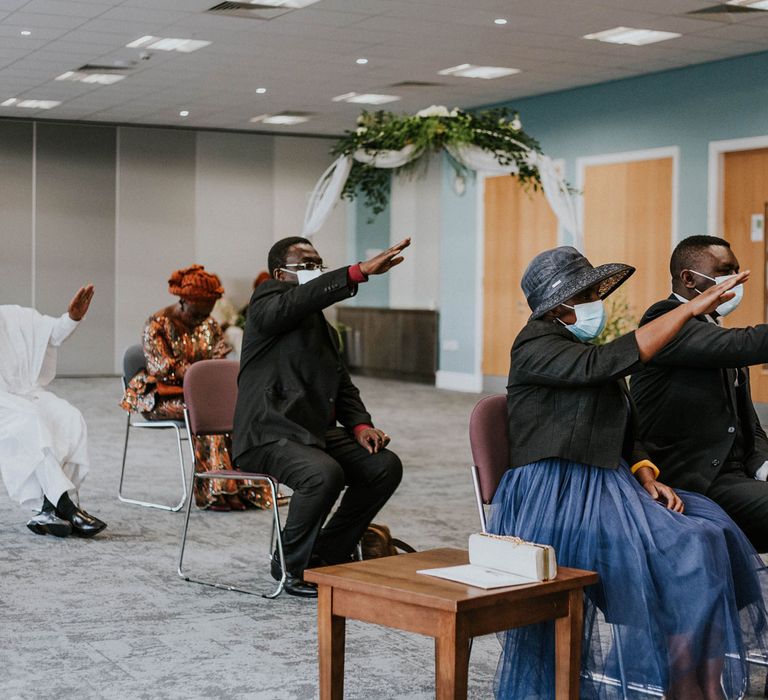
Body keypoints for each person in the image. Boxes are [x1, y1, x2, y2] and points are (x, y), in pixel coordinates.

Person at [491, 245, 766, 699]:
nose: (596, 300)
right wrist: (693, 308)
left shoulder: (579, 342)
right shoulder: (533, 345)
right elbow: (602, 366)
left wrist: (643, 470)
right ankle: (682, 683)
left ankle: (701, 679)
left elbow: (625, 423)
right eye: (587, 294)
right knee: (686, 547)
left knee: (712, 533)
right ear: (558, 306)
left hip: (610, 478)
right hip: (557, 488)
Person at [233, 237, 410, 597]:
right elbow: (298, 300)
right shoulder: (266, 301)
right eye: (306, 264)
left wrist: (360, 425)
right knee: (322, 474)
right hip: (267, 432)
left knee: (384, 467)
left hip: (312, 432)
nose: (316, 269)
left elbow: (341, 383)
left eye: (318, 262)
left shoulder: (323, 329)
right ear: (280, 273)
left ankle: (327, 552)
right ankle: (290, 565)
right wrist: (358, 272)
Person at [631, 235, 768, 552]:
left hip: (735, 476)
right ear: (688, 278)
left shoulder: (712, 327)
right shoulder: (663, 321)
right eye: (724, 271)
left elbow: (749, 423)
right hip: (695, 479)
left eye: (736, 270)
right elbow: (742, 344)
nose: (734, 280)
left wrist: (762, 465)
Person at [121, 265, 272, 512]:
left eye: (206, 314)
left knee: (239, 409)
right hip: (160, 397)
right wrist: (202, 373)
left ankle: (245, 487)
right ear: (182, 301)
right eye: (196, 315)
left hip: (201, 393)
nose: (201, 320)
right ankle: (216, 491)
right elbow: (164, 369)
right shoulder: (157, 324)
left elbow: (217, 356)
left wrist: (207, 371)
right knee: (207, 412)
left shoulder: (209, 323)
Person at [0, 285, 107, 538]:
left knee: (69, 418)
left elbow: (53, 333)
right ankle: (68, 508)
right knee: (30, 422)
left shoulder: (12, 316)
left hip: (26, 394)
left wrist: (73, 317)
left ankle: (49, 510)